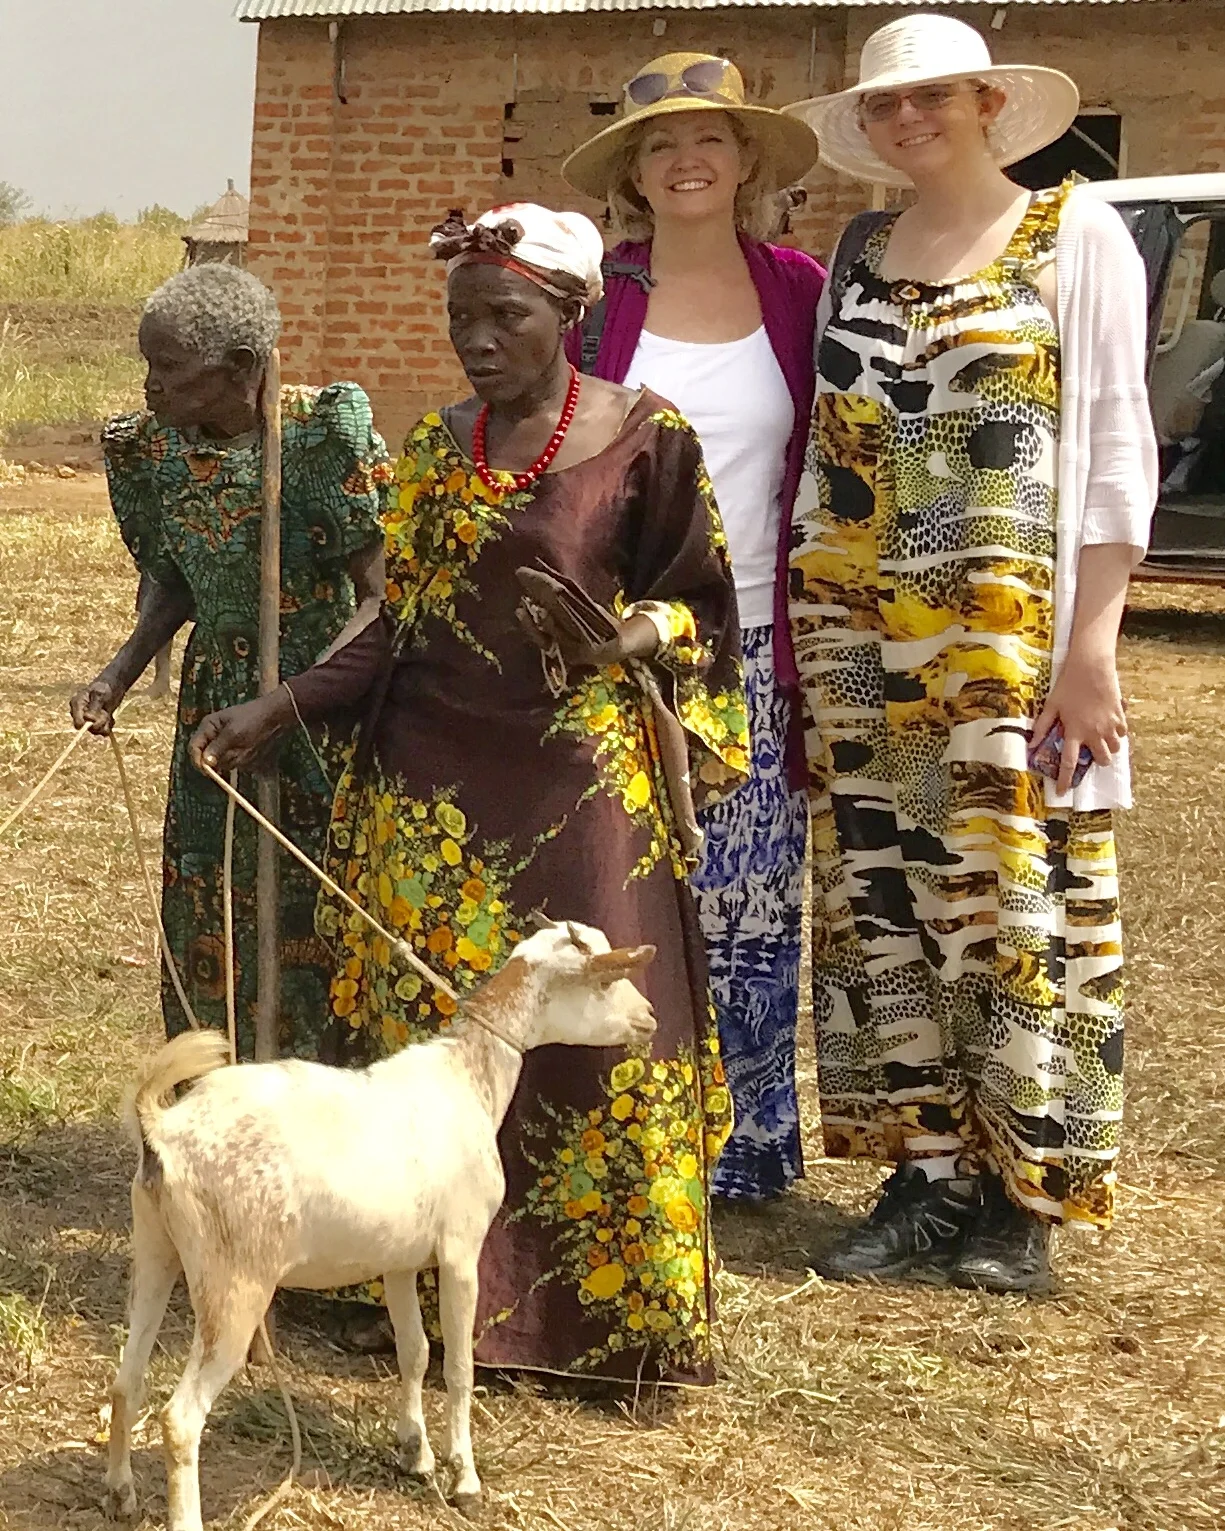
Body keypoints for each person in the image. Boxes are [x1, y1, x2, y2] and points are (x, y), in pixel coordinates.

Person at [188, 204, 748, 1386]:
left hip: (581, 784)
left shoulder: (649, 438)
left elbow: (699, 599)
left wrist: (626, 637)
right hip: (431, 796)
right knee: (429, 1056)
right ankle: (421, 1298)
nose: (479, 341)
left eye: (509, 317)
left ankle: (600, 1327)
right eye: (462, 320)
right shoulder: (440, 447)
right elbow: (399, 617)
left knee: (596, 1036)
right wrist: (278, 705)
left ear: (572, 314)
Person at [786, 13, 1157, 1293]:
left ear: (988, 102)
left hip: (1000, 643)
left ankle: (1023, 1197)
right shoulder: (860, 245)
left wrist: (1089, 649)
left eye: (931, 98)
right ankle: (924, 1174)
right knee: (883, 902)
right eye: (885, 106)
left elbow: (1115, 445)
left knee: (1013, 901)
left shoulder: (1075, 232)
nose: (905, 120)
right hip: (855, 635)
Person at [562, 53, 825, 1202]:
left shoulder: (800, 295)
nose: (685, 160)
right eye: (658, 143)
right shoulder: (596, 306)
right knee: (620, 885)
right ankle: (627, 1127)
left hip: (759, 641)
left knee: (753, 899)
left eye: (707, 139)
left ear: (747, 158)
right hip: (627, 647)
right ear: (631, 170)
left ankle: (745, 1148)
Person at [70, 263, 390, 1060]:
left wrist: (294, 702)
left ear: (242, 368)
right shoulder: (151, 452)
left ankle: (314, 1110)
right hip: (215, 710)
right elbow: (176, 581)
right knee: (209, 898)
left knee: (315, 903)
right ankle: (218, 1096)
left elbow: (381, 595)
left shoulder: (320, 439)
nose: (151, 386)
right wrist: (118, 672)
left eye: (170, 369)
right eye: (148, 363)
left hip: (321, 707)